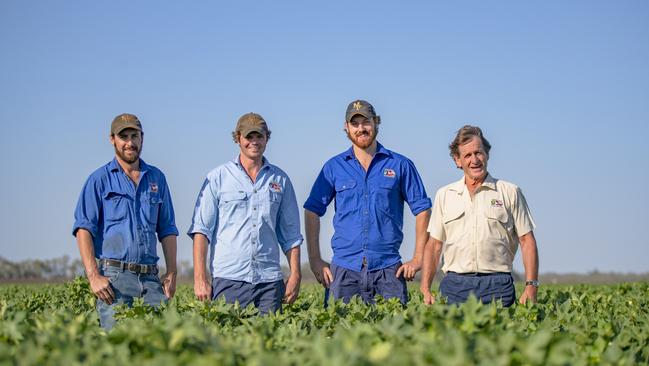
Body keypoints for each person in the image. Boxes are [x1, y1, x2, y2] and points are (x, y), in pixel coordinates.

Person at [304, 100, 432, 305]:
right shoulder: (333, 167)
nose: (361, 128)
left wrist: (418, 258)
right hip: (344, 271)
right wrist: (315, 260)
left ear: (377, 122)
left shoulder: (400, 165)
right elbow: (312, 210)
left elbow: (422, 210)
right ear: (346, 128)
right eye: (355, 124)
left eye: (366, 122)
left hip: (388, 270)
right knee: (338, 334)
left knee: (393, 335)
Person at [72, 113, 179, 330]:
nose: (130, 143)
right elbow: (84, 229)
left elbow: (167, 229)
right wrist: (94, 276)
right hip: (114, 280)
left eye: (134, 136)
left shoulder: (157, 178)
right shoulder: (99, 180)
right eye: (124, 137)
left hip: (151, 279)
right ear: (113, 139)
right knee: (115, 347)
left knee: (159, 345)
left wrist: (172, 272)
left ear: (142, 138)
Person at [189, 113, 303, 314]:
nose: (254, 142)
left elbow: (291, 235)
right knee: (227, 342)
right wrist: (200, 277)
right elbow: (201, 231)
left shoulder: (280, 180)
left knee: (268, 342)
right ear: (238, 138)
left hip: (269, 282)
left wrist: (295, 274)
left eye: (259, 136)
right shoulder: (218, 178)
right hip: (229, 280)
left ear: (267, 137)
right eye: (249, 137)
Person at [420, 125, 539, 307]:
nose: (474, 160)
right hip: (455, 286)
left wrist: (531, 286)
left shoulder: (510, 192)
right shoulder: (444, 195)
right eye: (467, 155)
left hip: (498, 285)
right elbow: (434, 246)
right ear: (457, 160)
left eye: (479, 153)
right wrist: (425, 288)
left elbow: (527, 241)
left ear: (487, 154)